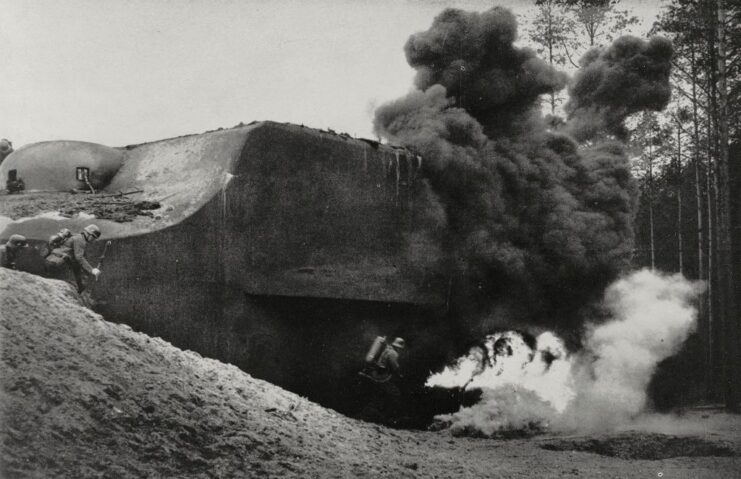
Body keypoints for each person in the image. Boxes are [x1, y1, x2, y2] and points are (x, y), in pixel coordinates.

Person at [46, 224, 102, 293]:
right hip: (56, 263)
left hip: (51, 259)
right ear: (88, 234)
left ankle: (80, 286)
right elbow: (79, 258)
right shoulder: (80, 240)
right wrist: (92, 270)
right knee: (76, 265)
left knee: (76, 264)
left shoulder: (77, 236)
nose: (93, 240)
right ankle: (78, 286)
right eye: (93, 237)